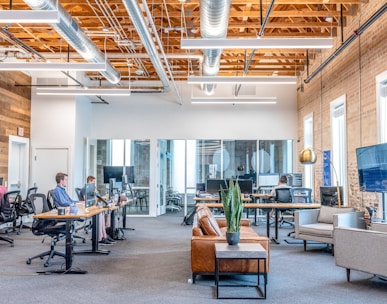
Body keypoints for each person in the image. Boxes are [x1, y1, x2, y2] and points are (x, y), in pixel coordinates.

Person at [80, 175, 115, 245]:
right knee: (100, 213)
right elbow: (86, 200)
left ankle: (104, 234)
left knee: (106, 212)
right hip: (87, 209)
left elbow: (98, 198)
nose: (94, 184)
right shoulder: (85, 189)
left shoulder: (92, 189)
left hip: (93, 206)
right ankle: (100, 236)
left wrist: (95, 191)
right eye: (93, 182)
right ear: (89, 181)